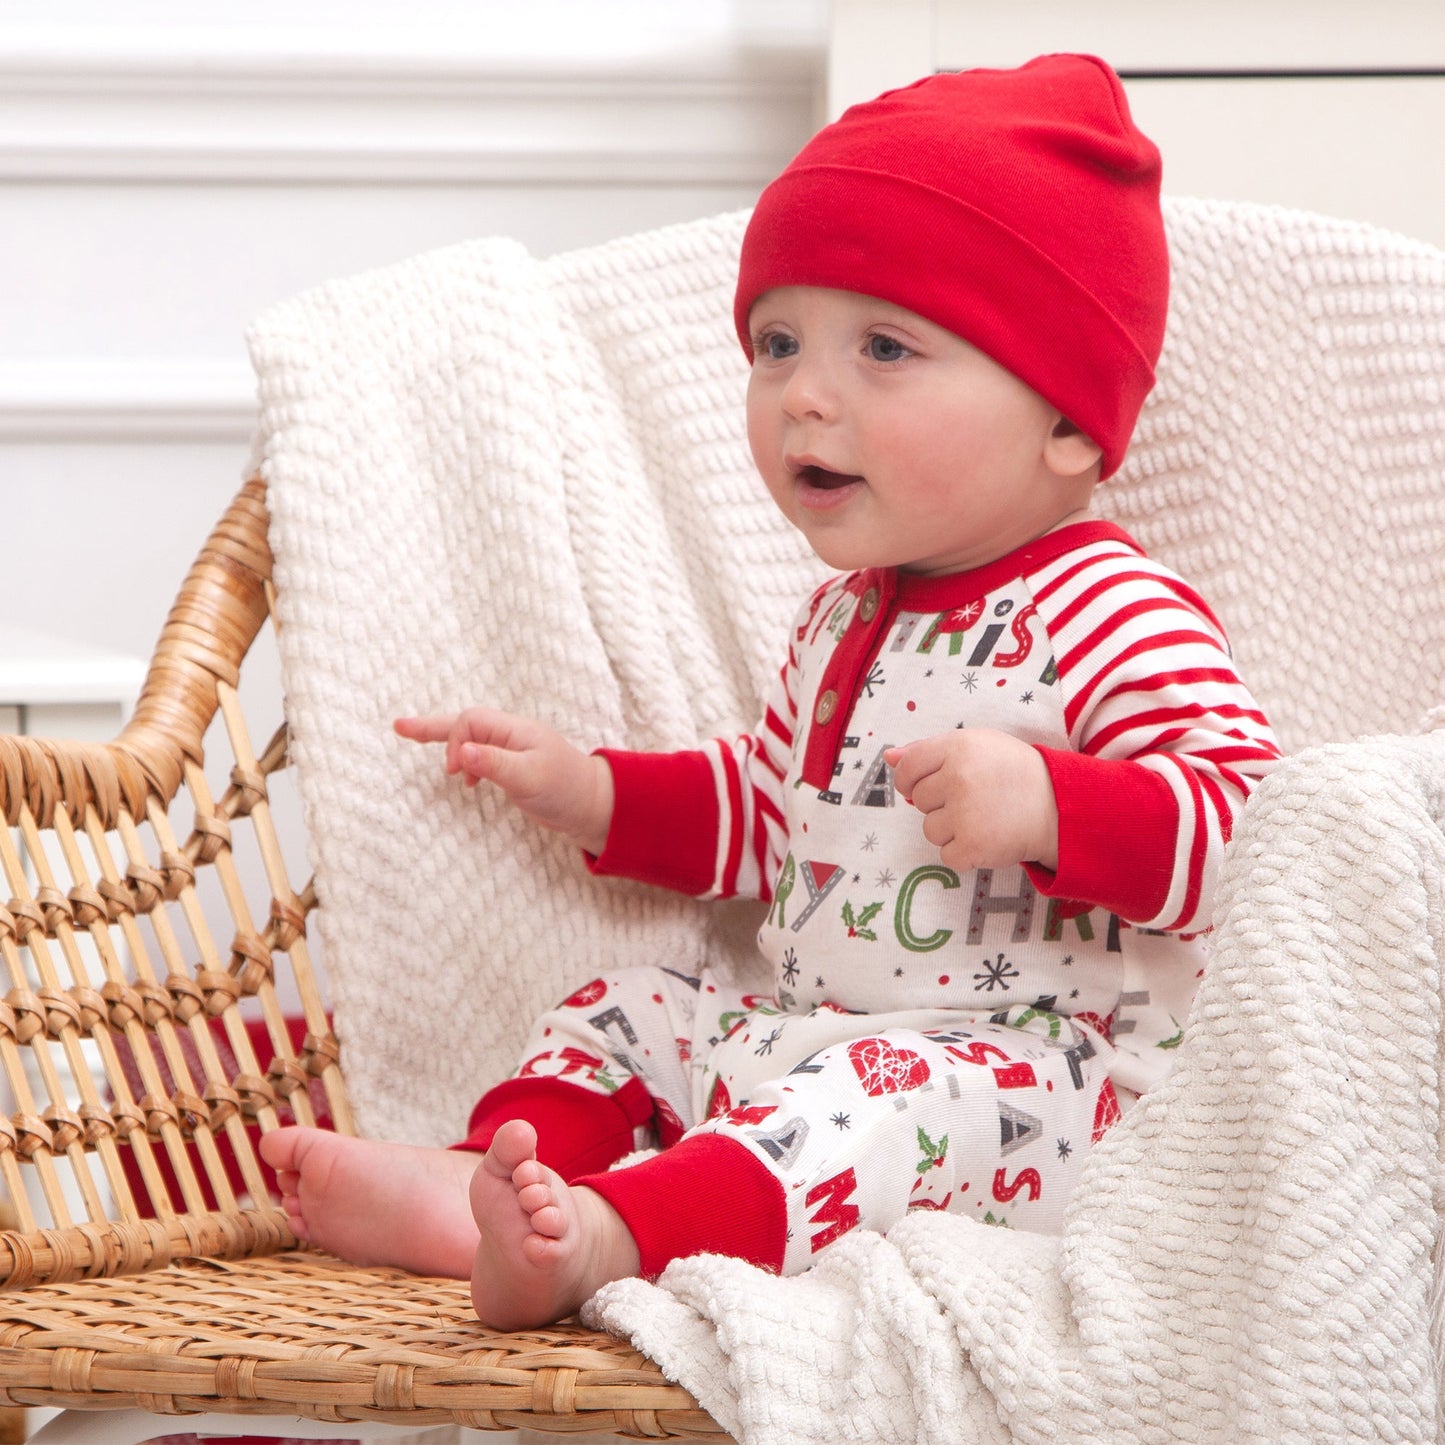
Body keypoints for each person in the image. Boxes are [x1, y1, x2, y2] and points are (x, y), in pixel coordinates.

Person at [260, 53, 1281, 1330]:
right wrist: (593, 790)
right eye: (778, 342)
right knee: (623, 1007)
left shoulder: (1111, 612)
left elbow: (1253, 832)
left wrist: (1051, 806)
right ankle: (490, 1181)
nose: (802, 390)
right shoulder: (843, 616)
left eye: (884, 349)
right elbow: (769, 805)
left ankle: (609, 1237)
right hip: (813, 1038)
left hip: (1026, 1087)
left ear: (1066, 420)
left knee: (868, 1104)